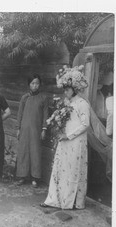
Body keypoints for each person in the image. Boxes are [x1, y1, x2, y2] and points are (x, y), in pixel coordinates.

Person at [40, 65, 90, 210]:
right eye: (65, 89)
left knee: (72, 170)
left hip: (76, 141)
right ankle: (56, 199)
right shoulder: (68, 103)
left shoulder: (82, 104)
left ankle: (71, 201)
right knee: (61, 169)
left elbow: (85, 124)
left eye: (67, 89)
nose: (65, 92)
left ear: (74, 89)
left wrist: (69, 136)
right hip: (65, 140)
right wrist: (60, 129)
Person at [16, 74, 49, 188]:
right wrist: (18, 128)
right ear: (29, 84)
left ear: (40, 84)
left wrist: (44, 129)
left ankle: (35, 177)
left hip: (36, 129)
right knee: (23, 151)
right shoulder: (24, 98)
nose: (35, 86)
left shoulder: (43, 98)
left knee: (35, 152)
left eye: (37, 83)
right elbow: (20, 113)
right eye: (32, 83)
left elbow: (45, 115)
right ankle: (22, 176)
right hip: (24, 129)